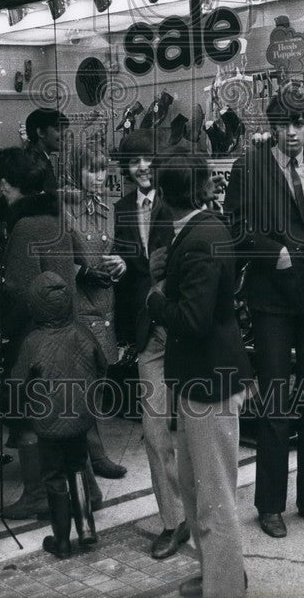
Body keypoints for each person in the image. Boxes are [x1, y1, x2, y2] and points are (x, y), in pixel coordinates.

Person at [223, 83, 304, 538]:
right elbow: (233, 228)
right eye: (284, 124)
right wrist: (268, 250)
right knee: (275, 401)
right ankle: (270, 504)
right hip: (272, 301)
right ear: (272, 126)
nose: (292, 133)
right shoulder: (248, 166)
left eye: (300, 123)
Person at [147, 152, 253, 598]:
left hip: (211, 382)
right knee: (195, 490)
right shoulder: (197, 230)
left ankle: (225, 589)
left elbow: (193, 319)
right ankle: (217, 576)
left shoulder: (202, 236)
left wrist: (156, 300)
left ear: (168, 195)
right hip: (199, 379)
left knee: (214, 500)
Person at [0, 147, 102, 520]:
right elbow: (83, 263)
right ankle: (89, 490)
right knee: (66, 415)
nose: (1, 188)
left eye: (4, 182)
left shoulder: (23, 226)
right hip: (66, 328)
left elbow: (20, 291)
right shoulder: (58, 219)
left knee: (23, 413)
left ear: (13, 184)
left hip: (32, 335)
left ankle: (36, 492)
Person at [112, 130, 185, 559]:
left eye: (147, 160)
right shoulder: (120, 209)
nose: (141, 167)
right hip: (147, 333)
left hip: (185, 326)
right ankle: (173, 522)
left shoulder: (178, 200)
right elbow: (129, 276)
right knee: (155, 431)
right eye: (133, 161)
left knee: (194, 431)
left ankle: (203, 517)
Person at [11, 271, 107, 559]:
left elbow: (17, 383)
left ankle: (62, 541)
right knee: (78, 466)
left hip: (48, 423)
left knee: (53, 477)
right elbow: (101, 365)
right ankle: (87, 529)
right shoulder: (82, 332)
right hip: (79, 419)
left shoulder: (32, 341)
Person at [65, 142, 128, 479]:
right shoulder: (65, 210)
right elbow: (56, 260)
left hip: (104, 303)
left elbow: (113, 250)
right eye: (91, 169)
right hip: (77, 303)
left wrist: (120, 263)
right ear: (77, 171)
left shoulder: (109, 209)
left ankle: (94, 451)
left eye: (103, 169)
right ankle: (93, 456)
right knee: (81, 384)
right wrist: (83, 271)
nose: (98, 176)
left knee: (99, 380)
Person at [25, 107, 70, 193]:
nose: (65, 135)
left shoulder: (38, 156)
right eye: (58, 129)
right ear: (41, 132)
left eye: (65, 130)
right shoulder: (35, 162)